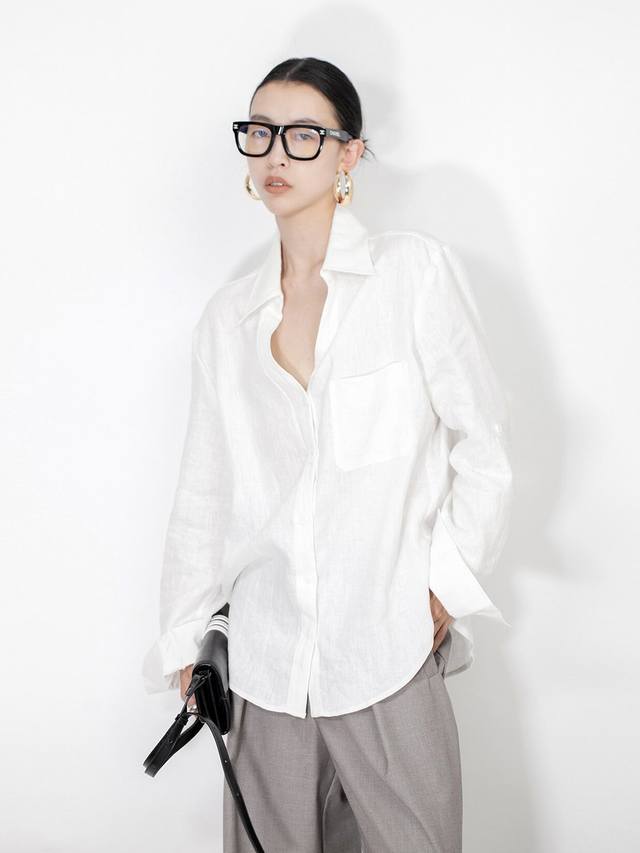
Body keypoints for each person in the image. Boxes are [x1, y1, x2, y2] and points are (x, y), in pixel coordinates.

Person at [142, 56, 514, 853]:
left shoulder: (411, 275)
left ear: (350, 153)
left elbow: (483, 442)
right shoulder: (228, 319)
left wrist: (444, 587)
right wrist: (183, 640)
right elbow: (204, 493)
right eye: (260, 132)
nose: (276, 152)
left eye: (303, 134)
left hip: (389, 650)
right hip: (267, 664)